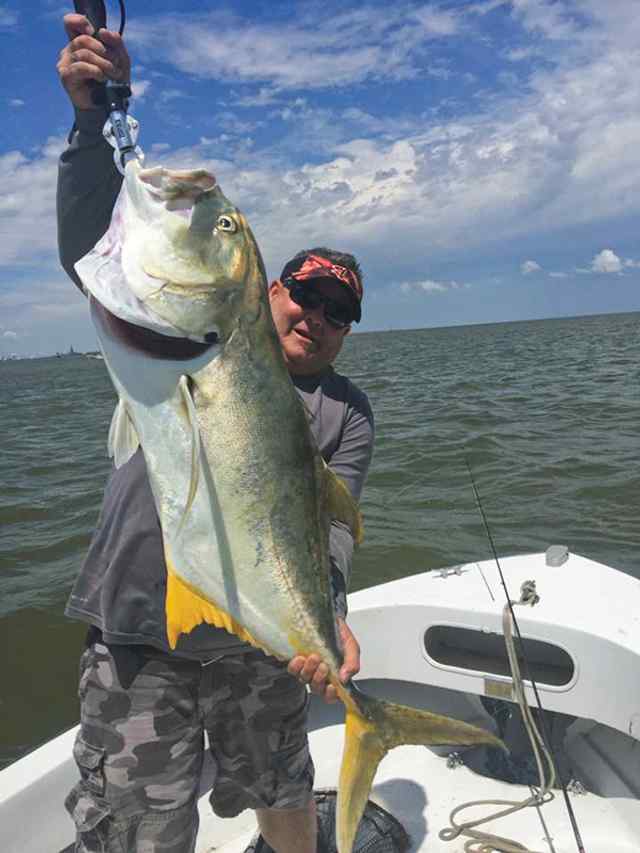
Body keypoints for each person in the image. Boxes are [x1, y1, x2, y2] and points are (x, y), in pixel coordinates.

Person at [56, 14, 375, 853]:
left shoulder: (347, 412)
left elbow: (331, 531)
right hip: (139, 632)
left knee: (285, 790)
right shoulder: (179, 342)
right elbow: (92, 246)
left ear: (348, 331)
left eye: (340, 311)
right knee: (139, 824)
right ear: (269, 291)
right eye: (306, 293)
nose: (317, 316)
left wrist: (330, 617)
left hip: (261, 646)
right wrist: (91, 121)